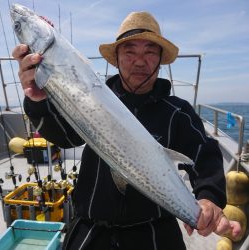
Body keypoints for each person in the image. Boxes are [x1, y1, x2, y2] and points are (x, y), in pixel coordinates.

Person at [13, 11, 240, 250]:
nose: (140, 61)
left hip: (154, 233)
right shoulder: (88, 98)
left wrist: (209, 198)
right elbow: (64, 137)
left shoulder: (177, 112)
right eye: (129, 51)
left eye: (150, 52)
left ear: (160, 59)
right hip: (91, 230)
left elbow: (204, 153)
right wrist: (39, 102)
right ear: (116, 58)